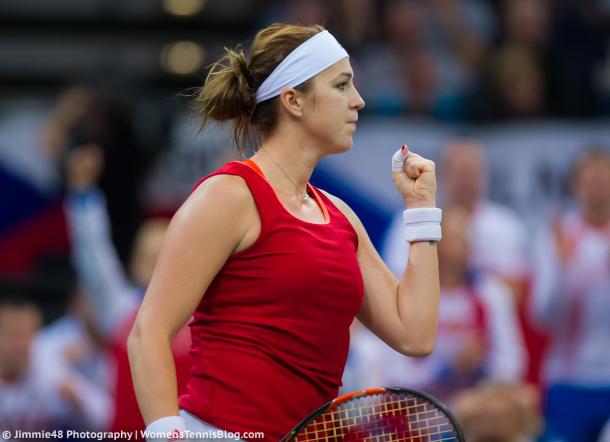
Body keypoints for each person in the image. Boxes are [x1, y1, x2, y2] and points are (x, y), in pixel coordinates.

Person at [128, 23, 442, 441]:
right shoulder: (228, 196)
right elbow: (147, 332)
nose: (359, 101)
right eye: (342, 85)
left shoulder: (341, 218)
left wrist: (421, 211)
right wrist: (169, 436)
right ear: (293, 100)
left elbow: (415, 334)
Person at [531, 148, 610, 442]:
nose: (598, 188)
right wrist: (563, 269)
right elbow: (543, 316)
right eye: (590, 180)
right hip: (569, 380)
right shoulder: (558, 235)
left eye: (605, 179)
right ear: (576, 187)